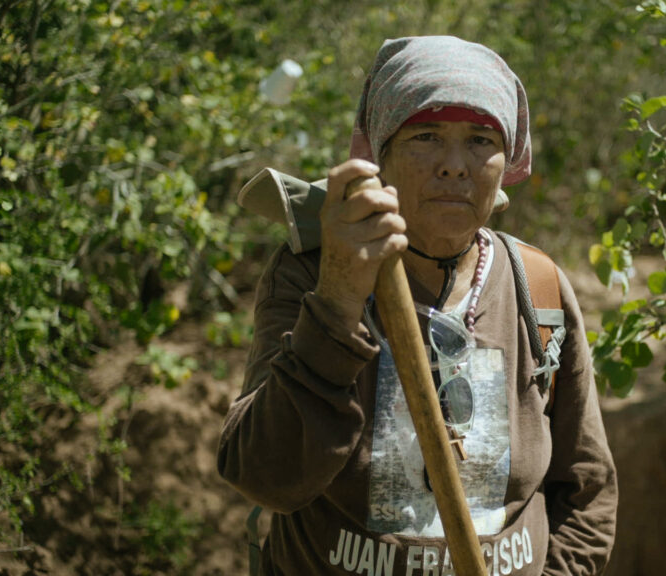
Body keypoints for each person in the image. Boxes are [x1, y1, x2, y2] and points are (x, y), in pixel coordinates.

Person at [217, 35, 617, 576]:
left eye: (480, 140)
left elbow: (587, 490)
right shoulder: (312, 274)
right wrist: (337, 299)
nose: (455, 165)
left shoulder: (539, 286)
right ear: (381, 154)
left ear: (507, 161)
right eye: (426, 136)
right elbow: (266, 477)